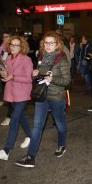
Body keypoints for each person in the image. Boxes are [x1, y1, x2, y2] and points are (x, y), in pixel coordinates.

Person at [15, 31, 71, 168]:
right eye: (46, 42)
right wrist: (35, 74)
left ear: (57, 44)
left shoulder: (61, 58)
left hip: (57, 97)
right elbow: (40, 74)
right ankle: (30, 157)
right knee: (37, 126)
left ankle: (62, 145)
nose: (48, 45)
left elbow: (67, 81)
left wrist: (52, 79)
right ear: (43, 44)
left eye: (52, 42)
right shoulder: (41, 57)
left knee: (59, 123)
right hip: (42, 96)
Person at [0, 36, 33, 161]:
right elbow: (4, 71)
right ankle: (30, 136)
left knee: (14, 119)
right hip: (11, 92)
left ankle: (6, 150)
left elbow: (29, 79)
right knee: (21, 117)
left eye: (17, 45)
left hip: (23, 93)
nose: (14, 47)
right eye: (12, 45)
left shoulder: (26, 59)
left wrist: (12, 76)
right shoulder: (8, 58)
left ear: (22, 47)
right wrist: (2, 73)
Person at [0, 30, 14, 126]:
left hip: (14, 75)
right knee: (8, 96)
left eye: (7, 36)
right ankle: (13, 114)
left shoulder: (15, 46)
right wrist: (0, 66)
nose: (4, 39)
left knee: (13, 97)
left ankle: (10, 116)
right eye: (3, 37)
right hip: (5, 74)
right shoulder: (2, 47)